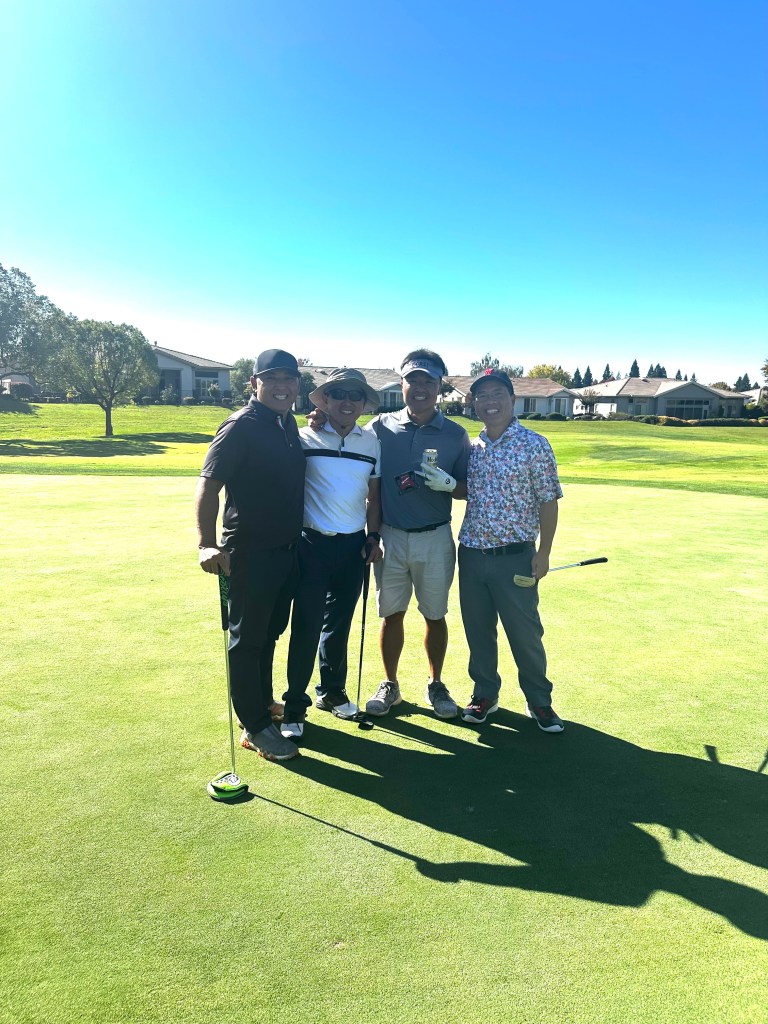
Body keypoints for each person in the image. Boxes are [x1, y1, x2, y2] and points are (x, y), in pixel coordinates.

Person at [196, 349, 305, 762]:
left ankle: (260, 702)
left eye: (289, 379)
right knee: (246, 640)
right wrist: (207, 543)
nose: (281, 386)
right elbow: (209, 485)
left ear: (297, 385)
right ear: (254, 383)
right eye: (271, 378)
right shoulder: (240, 425)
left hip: (286, 552)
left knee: (268, 634)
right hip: (249, 552)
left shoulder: (287, 422)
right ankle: (255, 726)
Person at [362, 350, 471, 719]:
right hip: (390, 536)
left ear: (440, 386)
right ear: (402, 383)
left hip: (435, 537)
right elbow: (349, 445)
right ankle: (390, 684)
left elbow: (467, 488)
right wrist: (320, 417)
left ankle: (435, 683)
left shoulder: (455, 434)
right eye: (413, 380)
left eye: (428, 380)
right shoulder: (379, 427)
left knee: (435, 615)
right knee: (391, 614)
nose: (420, 387)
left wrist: (451, 484)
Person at [457, 368, 565, 732]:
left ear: (512, 400)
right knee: (478, 632)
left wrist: (544, 552)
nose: (490, 402)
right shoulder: (472, 448)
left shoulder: (534, 444)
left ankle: (539, 701)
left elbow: (548, 501)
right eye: (482, 396)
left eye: (497, 394)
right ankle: (485, 694)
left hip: (516, 556)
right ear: (474, 403)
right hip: (472, 554)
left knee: (525, 634)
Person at [281, 369, 384, 739]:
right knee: (306, 627)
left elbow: (374, 497)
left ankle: (332, 692)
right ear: (324, 400)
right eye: (338, 394)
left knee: (338, 626)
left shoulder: (371, 443)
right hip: (311, 545)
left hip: (353, 546)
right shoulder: (303, 436)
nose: (347, 401)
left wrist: (373, 536)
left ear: (363, 403)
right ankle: (294, 707)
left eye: (355, 395)